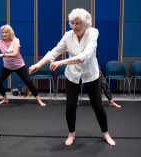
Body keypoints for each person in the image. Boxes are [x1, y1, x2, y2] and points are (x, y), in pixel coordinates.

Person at [29, 8, 115, 146]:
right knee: (70, 106)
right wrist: (38, 65)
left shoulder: (93, 33)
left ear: (85, 23)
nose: (74, 26)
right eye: (72, 23)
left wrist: (62, 62)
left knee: (98, 106)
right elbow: (54, 51)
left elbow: (85, 56)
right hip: (73, 74)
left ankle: (106, 133)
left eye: (77, 23)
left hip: (90, 74)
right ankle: (71, 134)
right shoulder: (68, 35)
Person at [0, 24, 46, 106]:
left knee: (28, 81)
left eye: (6, 32)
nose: (4, 34)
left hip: (19, 65)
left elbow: (15, 53)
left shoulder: (16, 40)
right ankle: (5, 99)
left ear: (10, 33)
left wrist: (2, 55)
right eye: (2, 33)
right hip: (7, 66)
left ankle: (38, 99)